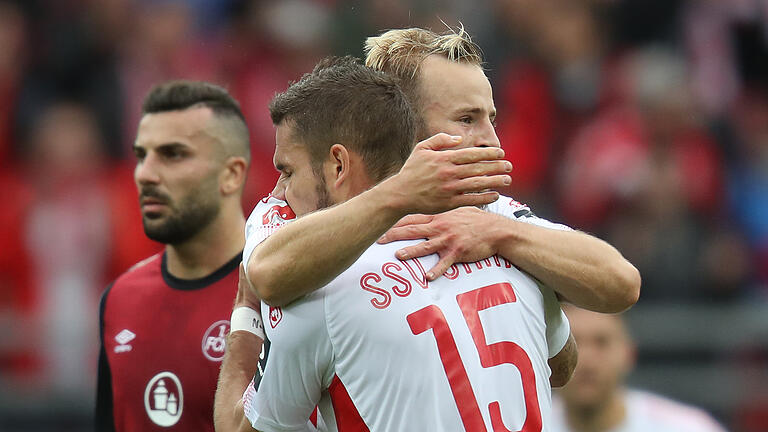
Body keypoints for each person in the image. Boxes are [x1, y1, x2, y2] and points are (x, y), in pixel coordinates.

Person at [216, 56, 577, 431]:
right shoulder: (497, 241)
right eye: (468, 118)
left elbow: (242, 428)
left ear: (339, 165)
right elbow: (563, 364)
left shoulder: (321, 291)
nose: (281, 192)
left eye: (287, 172)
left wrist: (246, 312)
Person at [244, 27, 640, 316]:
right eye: (467, 119)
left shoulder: (487, 216)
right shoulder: (308, 193)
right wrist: (396, 197)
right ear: (404, 126)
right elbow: (267, 276)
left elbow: (620, 284)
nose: (492, 142)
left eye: (491, 118)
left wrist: (501, 233)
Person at [96, 80, 250, 431]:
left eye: (172, 154)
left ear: (230, 174)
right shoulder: (119, 299)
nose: (145, 174)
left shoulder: (276, 295)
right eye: (141, 155)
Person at [551, 305, 726, 432]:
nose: (587, 360)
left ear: (629, 354)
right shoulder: (527, 426)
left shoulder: (688, 427)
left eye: (601, 342)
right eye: (571, 344)